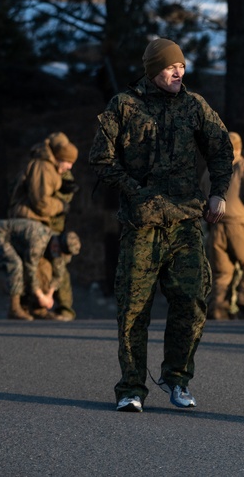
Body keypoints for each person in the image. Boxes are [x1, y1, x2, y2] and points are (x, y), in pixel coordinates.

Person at [89, 37, 232, 413]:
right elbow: (101, 159)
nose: (178, 72)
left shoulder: (194, 105)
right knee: (133, 310)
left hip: (185, 223)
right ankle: (131, 388)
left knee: (193, 301)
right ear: (154, 70)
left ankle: (177, 378)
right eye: (171, 67)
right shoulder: (124, 105)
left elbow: (221, 147)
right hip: (141, 225)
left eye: (181, 66)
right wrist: (135, 192)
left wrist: (218, 192)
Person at [8, 131, 79, 318]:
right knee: (38, 264)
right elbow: (40, 202)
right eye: (68, 162)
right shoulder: (43, 166)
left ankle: (34, 306)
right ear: (59, 155)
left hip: (35, 221)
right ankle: (34, 306)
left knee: (39, 264)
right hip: (31, 221)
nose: (69, 167)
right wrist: (61, 205)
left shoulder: (46, 166)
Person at [204, 131, 244, 320]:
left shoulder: (209, 171)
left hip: (216, 227)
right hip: (239, 225)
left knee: (222, 273)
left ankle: (217, 309)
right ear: (238, 148)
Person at [0, 218, 59, 320]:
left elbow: (59, 271)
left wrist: (50, 295)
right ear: (55, 244)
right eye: (55, 248)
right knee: (15, 264)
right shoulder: (39, 241)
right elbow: (30, 270)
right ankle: (14, 309)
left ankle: (34, 308)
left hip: (11, 240)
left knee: (43, 267)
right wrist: (41, 296)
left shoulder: (58, 243)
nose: (56, 251)